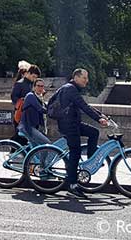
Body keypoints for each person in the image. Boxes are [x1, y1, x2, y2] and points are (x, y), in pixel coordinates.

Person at [51, 68, 108, 196]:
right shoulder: (70, 89)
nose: (87, 81)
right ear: (76, 77)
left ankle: (91, 159)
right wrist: (98, 119)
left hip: (73, 124)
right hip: (68, 126)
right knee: (75, 153)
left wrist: (101, 115)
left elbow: (85, 105)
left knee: (94, 132)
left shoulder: (72, 88)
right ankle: (72, 185)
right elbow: (83, 106)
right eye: (84, 78)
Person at [10, 62, 39, 143]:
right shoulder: (20, 83)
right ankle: (13, 150)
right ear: (29, 73)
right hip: (21, 114)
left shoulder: (30, 84)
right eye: (33, 76)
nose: (34, 79)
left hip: (28, 115)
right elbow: (14, 97)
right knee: (20, 136)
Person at [19, 78, 49, 147]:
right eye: (38, 86)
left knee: (36, 148)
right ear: (34, 87)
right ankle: (42, 158)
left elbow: (47, 107)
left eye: (42, 86)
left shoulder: (40, 98)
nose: (40, 88)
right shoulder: (30, 96)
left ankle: (31, 157)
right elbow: (41, 109)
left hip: (34, 127)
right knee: (46, 144)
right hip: (27, 126)